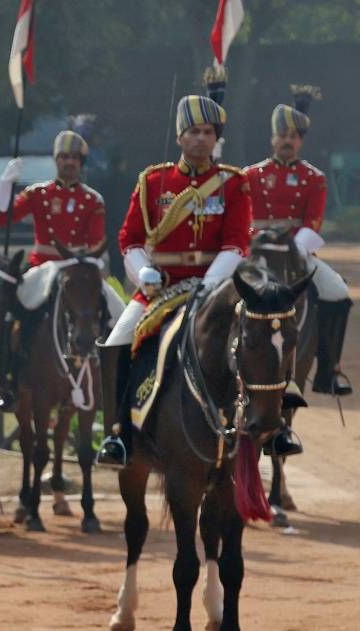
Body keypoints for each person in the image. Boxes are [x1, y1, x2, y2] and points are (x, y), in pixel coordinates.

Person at [97, 68, 252, 469]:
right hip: (160, 288)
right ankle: (116, 434)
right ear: (180, 137)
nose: (201, 139)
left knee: (261, 335)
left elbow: (237, 243)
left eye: (208, 132)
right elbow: (129, 239)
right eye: (193, 132)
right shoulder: (153, 181)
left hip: (215, 288)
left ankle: (266, 425)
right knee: (116, 342)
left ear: (216, 139)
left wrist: (211, 283)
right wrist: (143, 273)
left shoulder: (233, 184)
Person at [0, 117, 114, 407]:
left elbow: (95, 243)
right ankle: (7, 379)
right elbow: (2, 218)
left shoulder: (93, 200)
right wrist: (5, 184)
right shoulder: (38, 193)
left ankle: (108, 383)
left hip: (78, 270)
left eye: (74, 158)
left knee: (114, 312)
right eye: (63, 157)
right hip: (41, 268)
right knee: (9, 311)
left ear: (81, 163)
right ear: (56, 160)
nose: (68, 162)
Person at [241, 86, 351, 398]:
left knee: (338, 291)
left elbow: (313, 223)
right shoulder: (251, 175)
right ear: (272, 138)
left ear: (301, 141)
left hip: (297, 251)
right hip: (256, 253)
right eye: (282, 135)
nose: (287, 141)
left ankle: (329, 369)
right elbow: (242, 219)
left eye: (293, 136)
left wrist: (291, 252)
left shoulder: (314, 178)